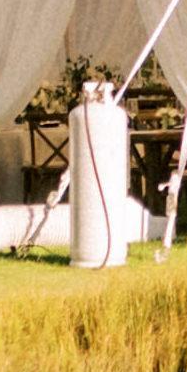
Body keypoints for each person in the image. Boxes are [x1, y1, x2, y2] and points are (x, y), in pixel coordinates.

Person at [66, 72, 137, 272]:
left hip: (113, 181)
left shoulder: (107, 115)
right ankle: (87, 252)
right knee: (87, 197)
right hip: (86, 186)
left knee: (109, 195)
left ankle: (101, 252)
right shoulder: (87, 115)